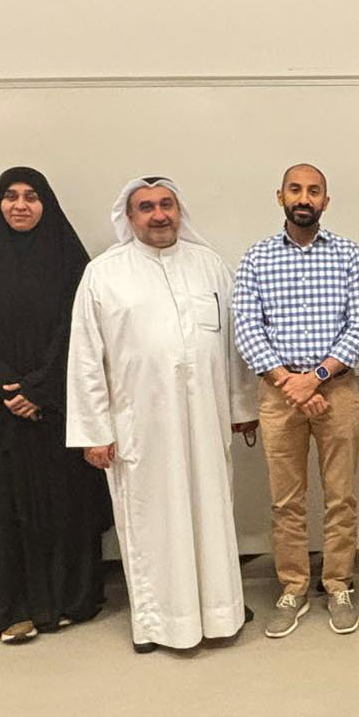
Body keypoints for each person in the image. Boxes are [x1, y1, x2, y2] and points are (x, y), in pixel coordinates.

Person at [67, 176, 259, 653]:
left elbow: (233, 344)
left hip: (207, 419)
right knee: (154, 520)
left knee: (212, 513)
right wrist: (94, 431)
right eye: (146, 207)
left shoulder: (209, 265)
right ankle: (158, 623)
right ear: (129, 218)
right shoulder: (104, 274)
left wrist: (241, 406)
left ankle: (221, 612)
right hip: (141, 426)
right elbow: (86, 357)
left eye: (166, 204)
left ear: (179, 210)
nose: (159, 214)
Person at [0, 167, 111, 644]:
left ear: (47, 204)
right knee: (9, 512)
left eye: (32, 196)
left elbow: (80, 332)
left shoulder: (71, 262)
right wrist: (7, 388)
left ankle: (68, 600)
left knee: (63, 506)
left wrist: (39, 390)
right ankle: (14, 609)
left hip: (55, 412)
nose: (20, 205)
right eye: (10, 196)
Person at [233, 164, 359, 637]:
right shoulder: (257, 258)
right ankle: (292, 587)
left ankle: (338, 584)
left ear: (325, 202)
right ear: (280, 196)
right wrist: (288, 382)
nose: (304, 198)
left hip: (337, 389)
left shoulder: (349, 255)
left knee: (341, 496)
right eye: (295, 189)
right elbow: (247, 327)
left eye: (314, 191)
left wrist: (314, 378)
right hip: (279, 394)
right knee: (286, 501)